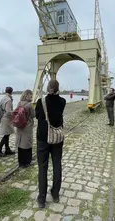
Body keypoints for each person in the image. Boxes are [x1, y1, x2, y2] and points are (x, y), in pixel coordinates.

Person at [35, 79, 66, 209]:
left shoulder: (40, 102)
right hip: (57, 138)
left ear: (48, 88)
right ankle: (55, 194)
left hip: (43, 137)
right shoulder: (63, 101)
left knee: (43, 167)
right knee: (57, 164)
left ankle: (42, 198)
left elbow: (37, 116)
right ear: (58, 88)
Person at [15, 89, 35, 168]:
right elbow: (33, 115)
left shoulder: (19, 103)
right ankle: (27, 162)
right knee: (27, 144)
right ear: (28, 95)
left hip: (19, 126)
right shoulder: (29, 105)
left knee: (20, 144)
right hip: (27, 126)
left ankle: (20, 161)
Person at [0, 87, 16, 157]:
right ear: (11, 91)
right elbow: (8, 111)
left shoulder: (4, 98)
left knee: (7, 134)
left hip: (3, 117)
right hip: (7, 118)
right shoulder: (8, 99)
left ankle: (7, 149)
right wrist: (15, 113)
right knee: (6, 135)